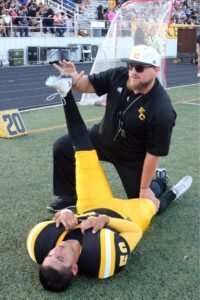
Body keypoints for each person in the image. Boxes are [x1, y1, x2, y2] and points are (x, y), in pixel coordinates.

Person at [27, 82, 192, 293]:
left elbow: (54, 226)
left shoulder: (45, 245)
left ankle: (65, 92)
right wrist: (106, 220)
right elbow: (133, 231)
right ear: (75, 268)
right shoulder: (103, 259)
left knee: (83, 151)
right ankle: (169, 187)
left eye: (50, 255)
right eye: (60, 257)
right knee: (153, 204)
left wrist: (65, 212)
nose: (56, 249)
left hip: (91, 204)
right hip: (126, 217)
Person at [46, 44, 177, 212]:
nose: (132, 71)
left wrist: (144, 189)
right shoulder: (119, 75)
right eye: (130, 65)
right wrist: (73, 78)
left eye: (139, 67)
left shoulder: (162, 110)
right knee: (62, 146)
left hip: (130, 157)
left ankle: (159, 182)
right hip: (101, 138)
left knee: (143, 204)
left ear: (156, 70)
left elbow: (154, 153)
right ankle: (69, 196)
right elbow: (86, 86)